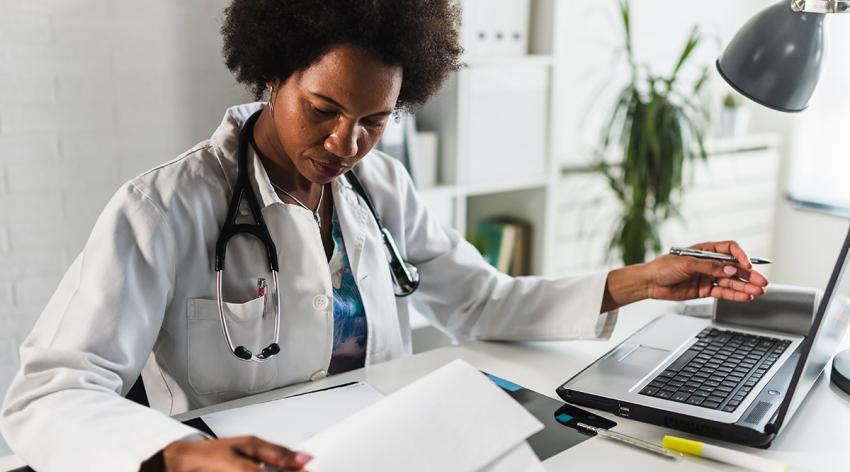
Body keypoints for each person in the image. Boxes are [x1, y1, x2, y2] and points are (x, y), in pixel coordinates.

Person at [0, 1, 768, 471]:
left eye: (374, 120)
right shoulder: (164, 207)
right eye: (324, 108)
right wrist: (170, 453)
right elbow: (49, 391)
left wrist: (637, 280)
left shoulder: (379, 186)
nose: (346, 143)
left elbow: (479, 301)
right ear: (271, 75)